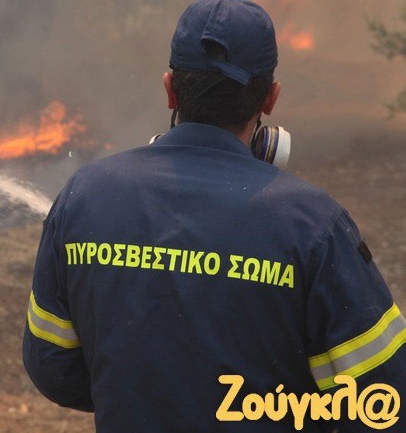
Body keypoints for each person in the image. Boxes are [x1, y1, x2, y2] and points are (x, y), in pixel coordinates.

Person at [22, 1, 406, 432]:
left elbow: (53, 367)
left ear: (169, 89)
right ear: (270, 99)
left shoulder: (84, 196)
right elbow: (384, 402)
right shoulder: (314, 225)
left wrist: (148, 394)